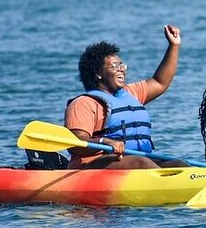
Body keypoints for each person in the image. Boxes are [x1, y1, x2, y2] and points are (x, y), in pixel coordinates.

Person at [64, 25, 185, 169]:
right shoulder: (83, 103)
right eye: (114, 66)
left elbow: (160, 82)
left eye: (122, 65)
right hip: (89, 168)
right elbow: (75, 144)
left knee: (178, 164)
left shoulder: (130, 93)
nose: (121, 68)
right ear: (98, 73)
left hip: (132, 163)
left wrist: (174, 46)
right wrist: (105, 141)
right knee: (140, 162)